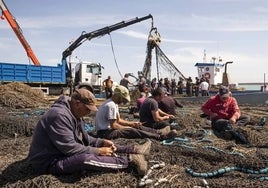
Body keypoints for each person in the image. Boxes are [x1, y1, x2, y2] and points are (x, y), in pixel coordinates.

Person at [27, 88, 151, 176]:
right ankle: (130, 162)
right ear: (77, 103)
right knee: (83, 159)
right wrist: (98, 151)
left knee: (101, 145)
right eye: (87, 109)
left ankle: (133, 149)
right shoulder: (58, 116)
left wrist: (102, 142)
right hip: (49, 161)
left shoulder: (74, 114)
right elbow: (70, 149)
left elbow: (85, 139)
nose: (89, 112)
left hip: (60, 152)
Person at [95, 85, 176, 140]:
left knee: (136, 126)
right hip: (105, 133)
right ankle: (160, 137)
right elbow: (114, 125)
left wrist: (132, 124)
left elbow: (119, 120)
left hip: (108, 130)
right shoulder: (111, 105)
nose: (123, 101)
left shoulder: (114, 104)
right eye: (122, 98)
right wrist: (129, 127)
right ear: (118, 95)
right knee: (133, 131)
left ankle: (158, 132)